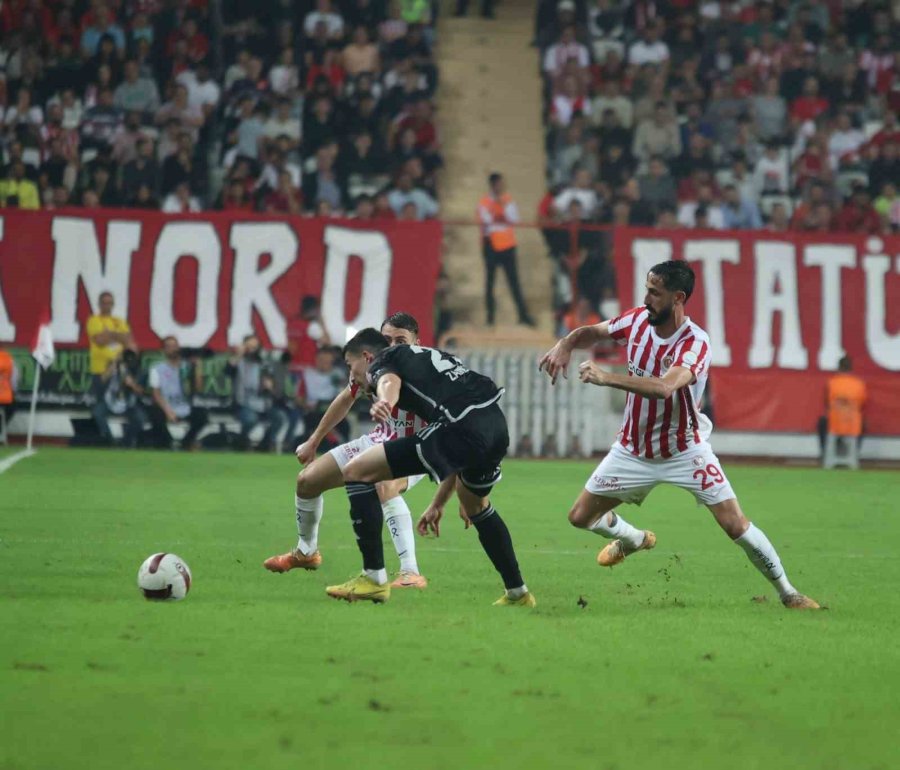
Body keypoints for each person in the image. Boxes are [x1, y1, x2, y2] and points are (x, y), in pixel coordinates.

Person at [538, 260, 819, 610]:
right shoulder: (637, 319)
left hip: (685, 451)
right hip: (633, 450)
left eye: (655, 292)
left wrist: (607, 376)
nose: (646, 298)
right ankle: (633, 539)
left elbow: (663, 388)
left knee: (734, 524)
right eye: (647, 289)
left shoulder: (695, 343)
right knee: (579, 517)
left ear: (677, 297)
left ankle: (788, 593)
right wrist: (565, 344)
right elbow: (591, 332)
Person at [330, 330, 535, 608]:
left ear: (366, 357)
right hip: (495, 425)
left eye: (350, 365)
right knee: (476, 506)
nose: (351, 374)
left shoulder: (383, 359)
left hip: (460, 428)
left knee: (356, 471)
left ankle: (373, 578)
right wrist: (439, 502)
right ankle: (518, 592)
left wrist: (385, 402)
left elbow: (389, 381)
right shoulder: (426, 354)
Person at [264, 313, 430, 589]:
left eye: (401, 340)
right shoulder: (374, 365)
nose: (392, 345)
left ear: (417, 342)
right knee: (307, 481)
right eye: (387, 339)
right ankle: (306, 552)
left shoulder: (422, 368)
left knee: (383, 487)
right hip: (379, 439)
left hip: (416, 446)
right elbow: (345, 398)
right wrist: (314, 441)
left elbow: (393, 390)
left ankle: (410, 571)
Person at [478, 173, 535, 327]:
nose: (501, 187)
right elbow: (486, 220)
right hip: (491, 244)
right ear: (493, 185)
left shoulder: (508, 200)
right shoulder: (485, 202)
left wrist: (499, 215)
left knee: (514, 282)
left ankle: (523, 315)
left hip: (508, 245)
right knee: (490, 282)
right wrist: (501, 216)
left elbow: (514, 219)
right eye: (498, 184)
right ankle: (490, 317)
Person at [85, 292, 135, 444]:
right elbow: (99, 340)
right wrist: (118, 336)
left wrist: (110, 334)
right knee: (101, 405)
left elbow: (129, 341)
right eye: (104, 302)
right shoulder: (94, 320)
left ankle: (127, 439)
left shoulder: (119, 321)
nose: (107, 305)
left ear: (113, 304)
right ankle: (107, 439)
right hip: (101, 370)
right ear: (99, 304)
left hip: (121, 370)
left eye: (109, 302)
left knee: (125, 403)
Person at [226, 335, 286, 452]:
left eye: (254, 347)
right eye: (249, 347)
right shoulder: (238, 362)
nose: (252, 350)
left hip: (262, 404)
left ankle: (265, 444)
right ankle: (241, 441)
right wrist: (239, 353)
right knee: (250, 419)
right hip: (242, 403)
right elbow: (228, 370)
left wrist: (269, 386)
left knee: (279, 418)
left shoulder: (263, 365)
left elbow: (273, 388)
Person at [148, 336, 209, 450]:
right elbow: (156, 393)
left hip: (184, 405)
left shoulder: (186, 367)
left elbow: (198, 388)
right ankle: (168, 442)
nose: (172, 349)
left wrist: (197, 367)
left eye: (174, 346)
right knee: (154, 414)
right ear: (164, 350)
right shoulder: (157, 369)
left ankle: (186, 441)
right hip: (166, 405)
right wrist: (168, 411)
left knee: (202, 415)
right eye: (169, 347)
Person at [817, 355, 866, 462]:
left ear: (838, 368)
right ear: (851, 369)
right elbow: (862, 404)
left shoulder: (831, 383)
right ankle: (854, 454)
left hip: (834, 424)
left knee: (822, 422)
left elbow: (827, 404)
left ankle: (826, 454)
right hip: (853, 423)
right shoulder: (859, 384)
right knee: (863, 423)